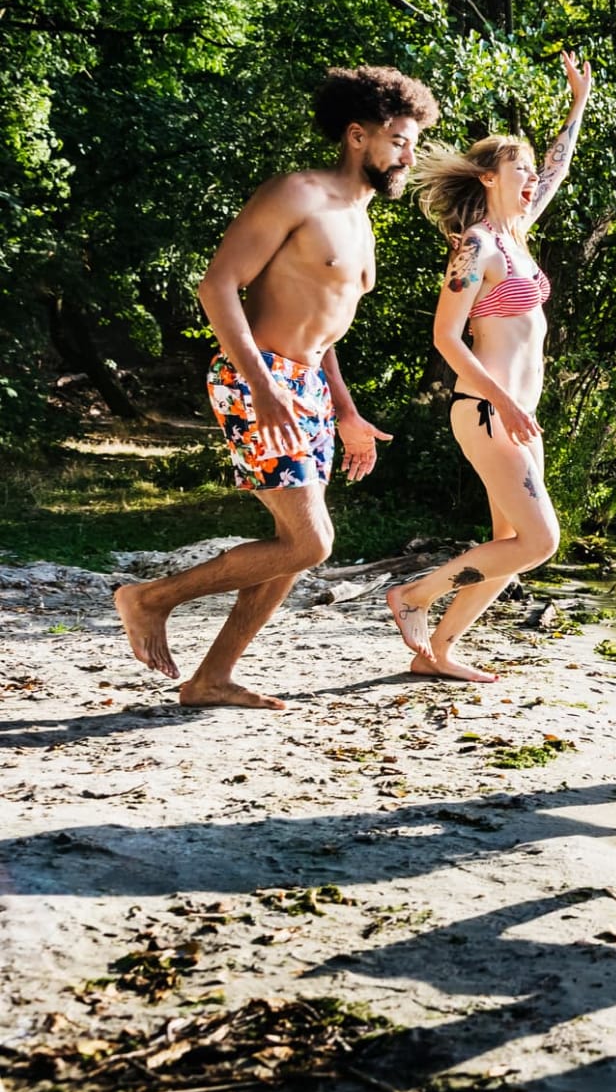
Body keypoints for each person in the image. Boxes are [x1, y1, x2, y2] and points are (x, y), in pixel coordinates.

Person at [114, 67, 439, 708]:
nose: (410, 154)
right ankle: (148, 599)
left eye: (414, 142)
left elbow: (327, 330)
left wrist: (345, 412)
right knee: (311, 542)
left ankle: (212, 678)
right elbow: (218, 287)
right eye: (400, 140)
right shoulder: (298, 194)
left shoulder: (360, 218)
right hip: (255, 375)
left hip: (307, 386)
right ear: (357, 136)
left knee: (295, 548)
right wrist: (262, 388)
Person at [383, 52, 593, 682]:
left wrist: (577, 104)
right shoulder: (476, 245)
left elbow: (557, 167)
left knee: (512, 550)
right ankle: (412, 597)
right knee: (540, 541)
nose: (532, 178)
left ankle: (437, 654)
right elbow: (447, 337)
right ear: (487, 179)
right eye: (518, 170)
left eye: (531, 170)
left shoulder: (517, 232)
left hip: (515, 417)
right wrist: (503, 400)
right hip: (486, 410)